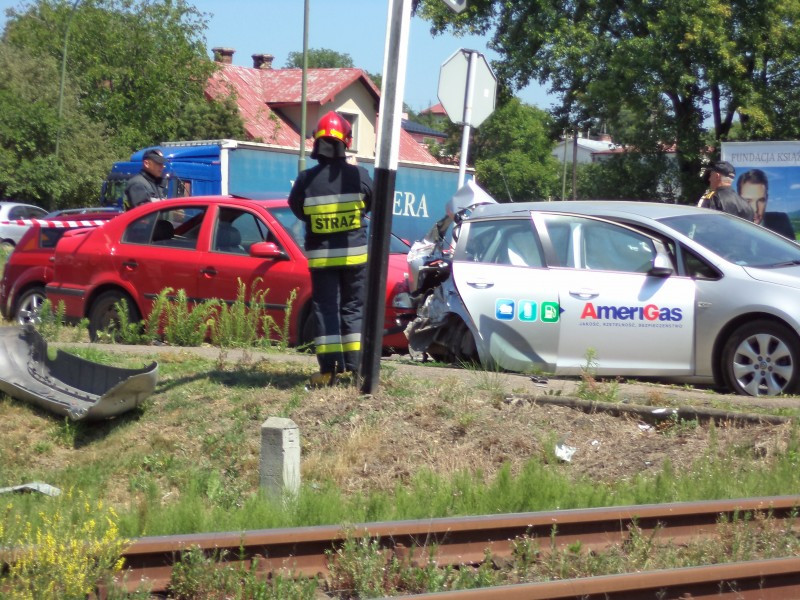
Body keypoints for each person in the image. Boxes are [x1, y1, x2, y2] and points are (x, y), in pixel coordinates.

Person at [288, 111, 373, 387]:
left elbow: (298, 209)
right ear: (346, 142)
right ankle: (357, 369)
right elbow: (371, 203)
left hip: (322, 259)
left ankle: (329, 371)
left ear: (317, 143)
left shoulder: (305, 180)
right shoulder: (359, 176)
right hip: (354, 257)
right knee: (353, 308)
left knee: (326, 310)